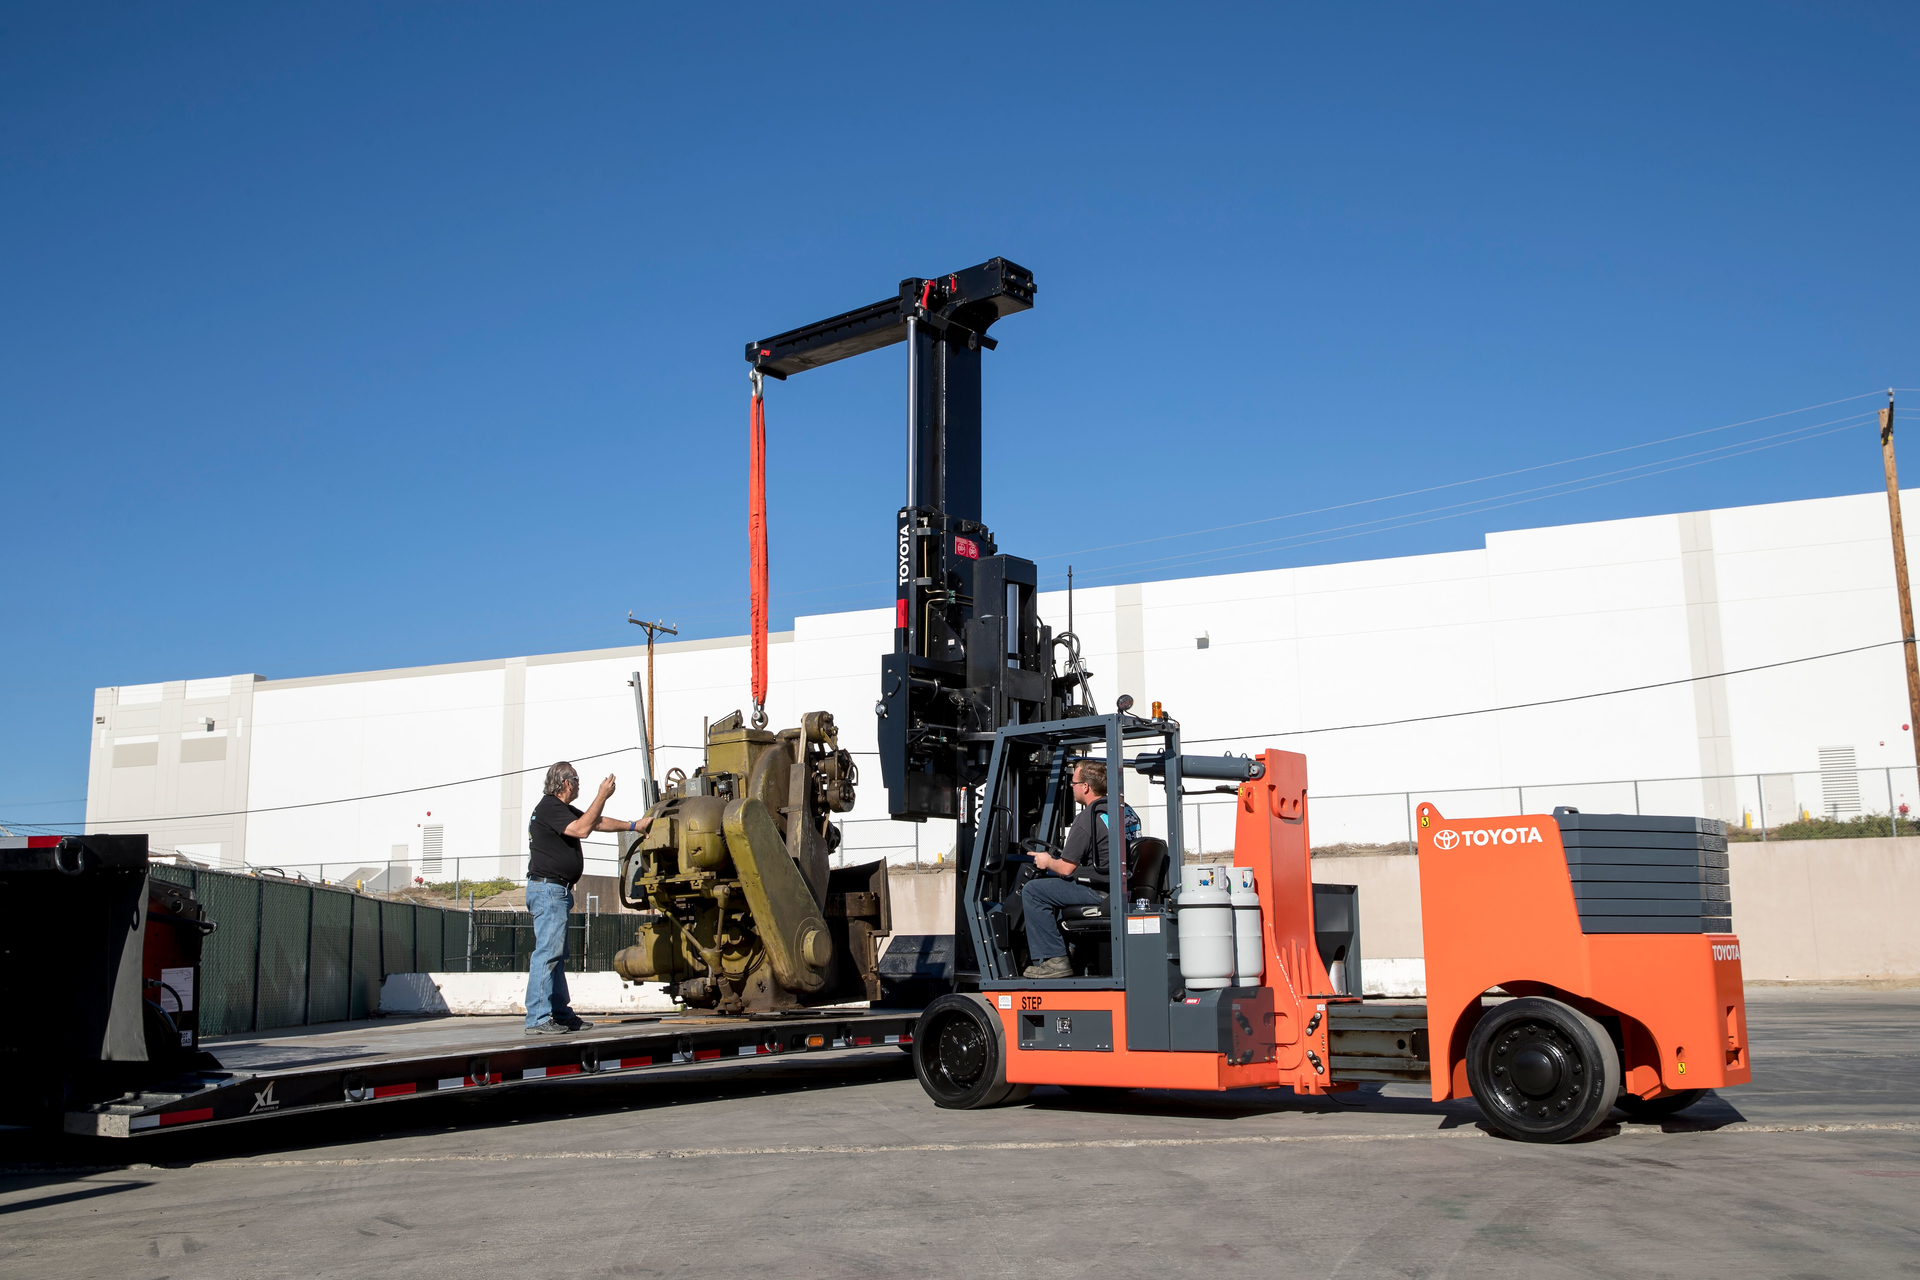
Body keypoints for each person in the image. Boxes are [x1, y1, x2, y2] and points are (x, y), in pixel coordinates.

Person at [525, 761, 649, 1035]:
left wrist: (634, 825)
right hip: (548, 890)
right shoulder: (549, 807)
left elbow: (596, 822)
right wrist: (602, 795)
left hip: (555, 891)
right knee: (548, 954)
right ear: (566, 783)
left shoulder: (560, 809)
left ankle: (559, 1014)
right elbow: (582, 829)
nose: (579, 784)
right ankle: (537, 1018)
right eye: (577, 780)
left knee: (556, 955)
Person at [1020, 760, 1139, 979]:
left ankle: (1054, 960)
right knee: (1056, 889)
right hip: (1120, 886)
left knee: (1033, 891)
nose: (1071, 786)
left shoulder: (1088, 817)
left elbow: (1065, 868)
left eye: (1074, 782)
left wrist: (1047, 861)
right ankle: (1072, 952)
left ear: (1085, 787)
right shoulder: (1124, 810)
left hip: (1100, 891)